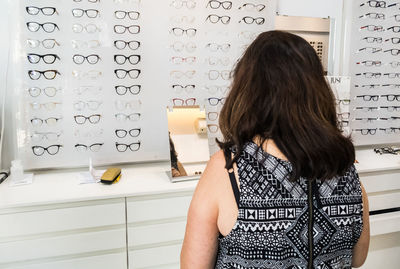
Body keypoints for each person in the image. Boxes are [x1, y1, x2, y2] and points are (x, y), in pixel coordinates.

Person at [180, 31, 370, 269]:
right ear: (317, 91)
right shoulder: (344, 168)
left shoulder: (228, 169)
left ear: (248, 91)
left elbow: (193, 266)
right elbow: (358, 259)